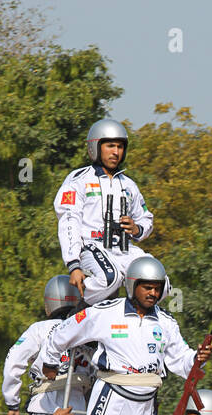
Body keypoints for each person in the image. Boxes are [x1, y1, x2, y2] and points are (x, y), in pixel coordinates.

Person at [42, 256, 211, 415]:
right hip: (112, 395)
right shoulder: (106, 312)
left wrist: (197, 358)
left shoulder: (166, 322)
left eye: (157, 288)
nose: (152, 293)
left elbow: (182, 361)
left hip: (145, 403)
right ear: (132, 285)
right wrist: (49, 362)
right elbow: (63, 332)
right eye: (147, 287)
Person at [2, 275, 96, 415]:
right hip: (78, 413)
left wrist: (12, 403)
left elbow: (13, 362)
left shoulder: (40, 329)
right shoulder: (89, 333)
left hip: (46, 409)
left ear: (49, 303)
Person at [55, 118, 154, 306]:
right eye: (110, 146)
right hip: (92, 247)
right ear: (96, 146)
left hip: (124, 249)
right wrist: (73, 264)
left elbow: (146, 219)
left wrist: (136, 229)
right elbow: (69, 221)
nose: (116, 152)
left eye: (120, 147)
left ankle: (137, 320)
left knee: (157, 278)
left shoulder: (129, 185)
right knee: (110, 279)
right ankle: (76, 312)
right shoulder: (78, 181)